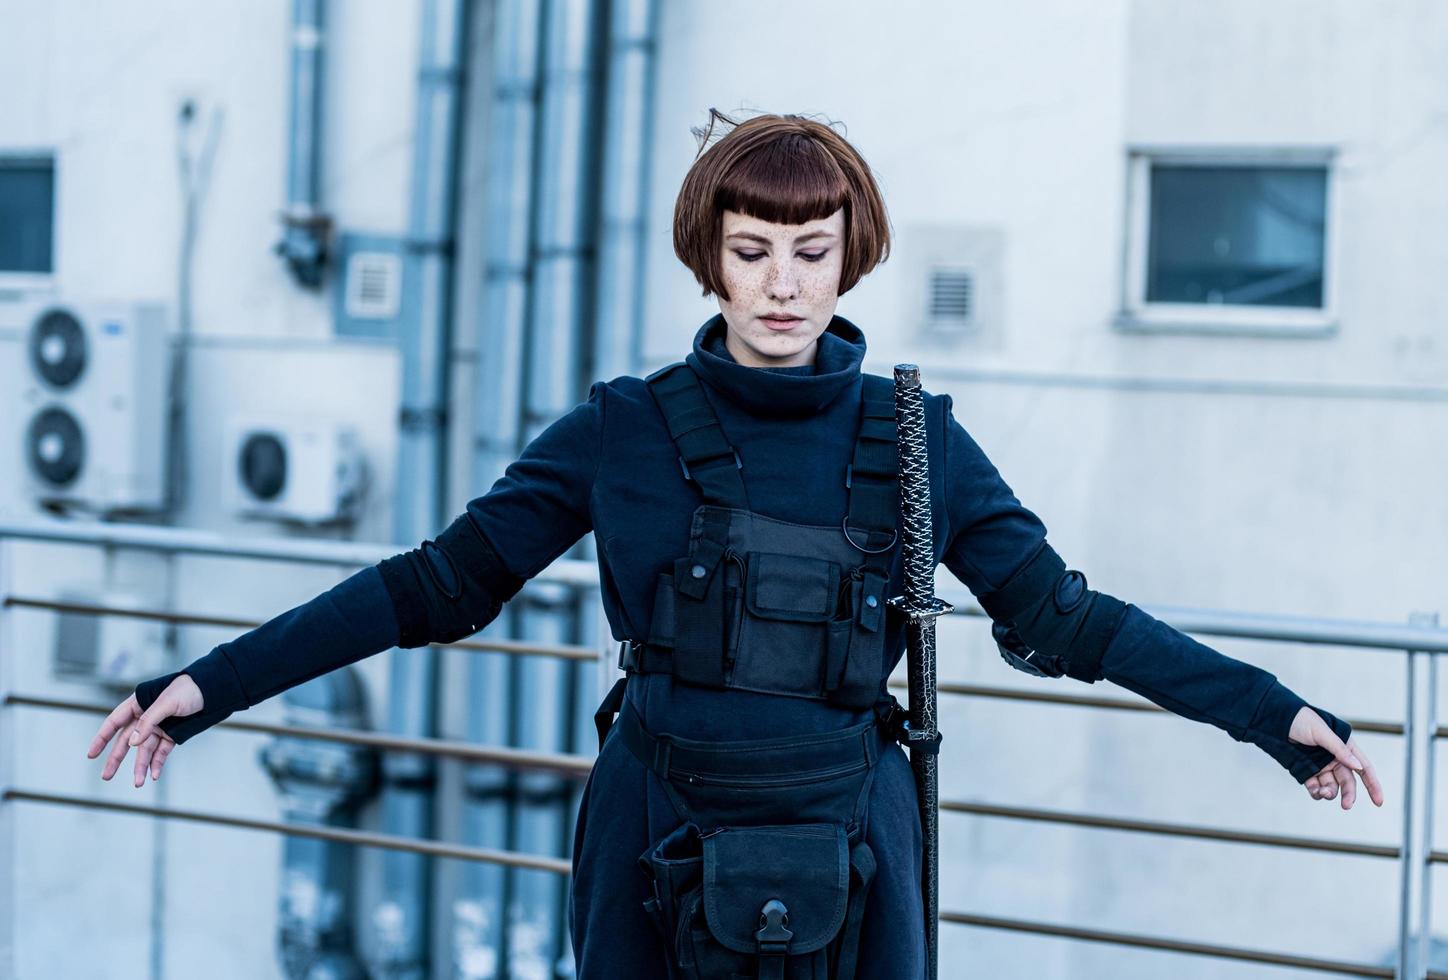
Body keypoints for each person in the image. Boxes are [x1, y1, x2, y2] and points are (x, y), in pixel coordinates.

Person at [88, 109, 1385, 979]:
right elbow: (437, 583)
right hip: (651, 821)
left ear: (849, 259)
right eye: (751, 250)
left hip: (855, 828)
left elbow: (1063, 616)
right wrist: (205, 690)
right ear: (709, 258)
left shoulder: (918, 439)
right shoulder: (625, 429)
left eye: (809, 253)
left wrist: (1271, 717)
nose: (781, 284)